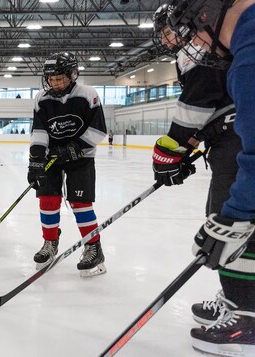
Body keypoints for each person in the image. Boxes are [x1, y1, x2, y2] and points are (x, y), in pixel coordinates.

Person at [168, 0, 255, 355]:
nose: (200, 46)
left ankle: (247, 317)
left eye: (199, 35)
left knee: (238, 225)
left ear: (208, 14)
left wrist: (234, 215)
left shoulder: (248, 55)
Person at [151, 2, 241, 331]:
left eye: (172, 29)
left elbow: (198, 104)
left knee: (230, 224)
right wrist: (192, 143)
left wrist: (173, 147)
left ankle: (244, 312)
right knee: (230, 222)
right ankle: (239, 299)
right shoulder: (208, 48)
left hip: (237, 145)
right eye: (164, 32)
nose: (169, 37)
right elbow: (214, 103)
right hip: (231, 139)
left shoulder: (198, 50)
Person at [28, 52, 108, 277]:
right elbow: (40, 131)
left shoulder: (88, 94)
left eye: (60, 78)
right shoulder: (41, 99)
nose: (55, 82)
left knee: (80, 202)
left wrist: (77, 147)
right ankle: (50, 242)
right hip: (52, 156)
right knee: (47, 199)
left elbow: (98, 129)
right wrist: (36, 160)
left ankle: (93, 247)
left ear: (72, 75)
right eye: (51, 79)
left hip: (81, 157)